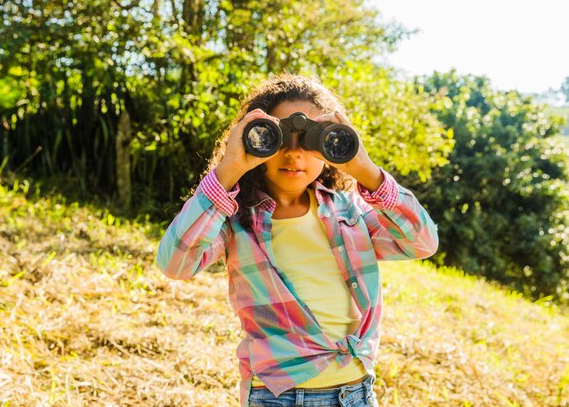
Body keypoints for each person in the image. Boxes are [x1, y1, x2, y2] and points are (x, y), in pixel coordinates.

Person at [156, 73, 439, 407]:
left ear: (330, 144)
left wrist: (365, 171)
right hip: (277, 396)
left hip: (356, 392)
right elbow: (176, 263)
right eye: (279, 138)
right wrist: (228, 170)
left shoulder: (350, 212)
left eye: (308, 141)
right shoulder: (235, 219)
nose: (294, 154)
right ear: (257, 139)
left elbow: (422, 241)